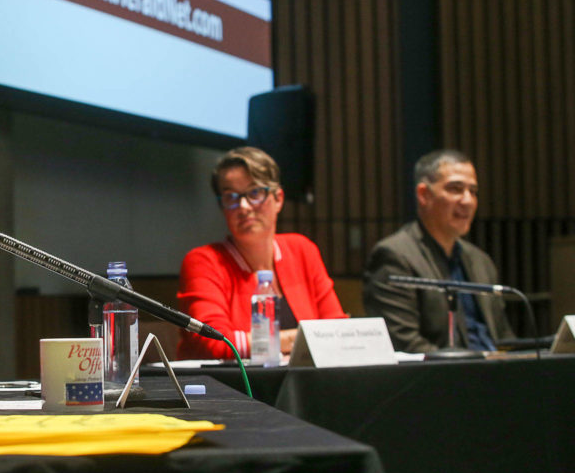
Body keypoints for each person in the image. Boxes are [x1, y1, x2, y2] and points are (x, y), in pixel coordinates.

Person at [177, 147, 346, 360]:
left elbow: (338, 332)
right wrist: (299, 340)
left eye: (255, 192)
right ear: (222, 207)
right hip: (232, 388)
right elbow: (214, 343)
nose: (244, 206)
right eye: (231, 196)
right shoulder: (203, 261)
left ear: (279, 199)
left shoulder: (302, 250)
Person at [363, 150, 513, 353]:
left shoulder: (480, 260)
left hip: (496, 373)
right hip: (442, 379)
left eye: (473, 191)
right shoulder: (395, 256)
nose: (467, 200)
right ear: (424, 195)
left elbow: (503, 337)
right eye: (455, 189)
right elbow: (403, 343)